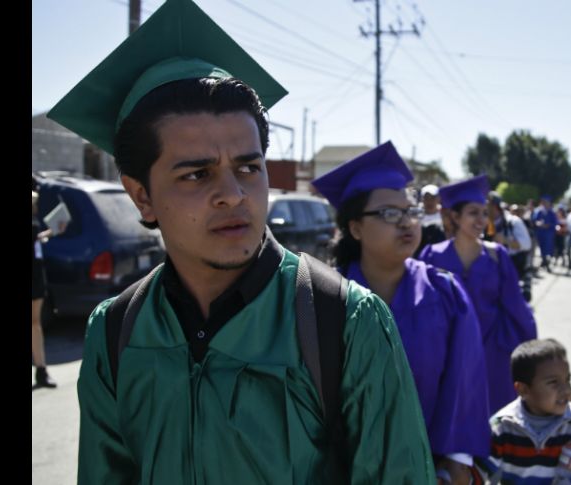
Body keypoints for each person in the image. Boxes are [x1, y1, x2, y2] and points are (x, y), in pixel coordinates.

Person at [48, 1, 435, 482]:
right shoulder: (115, 332)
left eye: (248, 168)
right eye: (197, 174)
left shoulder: (343, 321)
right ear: (142, 195)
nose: (233, 196)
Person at [312, 141, 491, 484]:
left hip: (424, 466)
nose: (407, 222)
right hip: (340, 467)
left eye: (411, 211)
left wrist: (454, 460)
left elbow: (463, 383)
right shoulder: (323, 298)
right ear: (355, 228)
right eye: (389, 213)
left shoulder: (445, 293)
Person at [418, 175, 537, 417]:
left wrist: (530, 350)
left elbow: (516, 306)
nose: (481, 220)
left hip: (490, 351)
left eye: (484, 213)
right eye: (473, 213)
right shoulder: (432, 256)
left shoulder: (497, 256)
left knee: (490, 418)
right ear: (454, 216)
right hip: (447, 351)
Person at [477, 338, 571, 484]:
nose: (566, 390)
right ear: (523, 389)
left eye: (568, 380)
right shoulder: (502, 427)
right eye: (553, 382)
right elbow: (480, 471)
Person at [32, 189, 59, 388]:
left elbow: (37, 237)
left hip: (36, 274)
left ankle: (41, 369)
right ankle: (41, 369)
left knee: (35, 323)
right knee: (35, 323)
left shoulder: (34, 223)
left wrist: (51, 232)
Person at [486, 192, 532, 302]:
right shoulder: (484, 223)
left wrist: (506, 241)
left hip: (513, 266)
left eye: (486, 204)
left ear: (494, 206)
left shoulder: (513, 222)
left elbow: (526, 244)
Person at [413, 183, 447, 257]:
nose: (429, 201)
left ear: (438, 199)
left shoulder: (445, 214)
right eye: (426, 198)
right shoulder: (414, 215)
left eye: (433, 198)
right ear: (422, 199)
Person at [531, 196, 558, 273]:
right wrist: (538, 223)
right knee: (541, 250)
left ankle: (546, 263)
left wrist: (548, 225)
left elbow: (555, 223)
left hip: (548, 234)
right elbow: (534, 220)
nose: (545, 203)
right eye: (543, 202)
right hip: (539, 233)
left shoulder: (552, 212)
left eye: (546, 202)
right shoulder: (538, 211)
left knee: (548, 250)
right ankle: (545, 263)